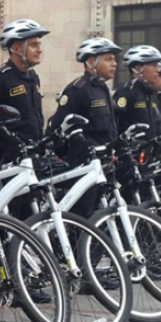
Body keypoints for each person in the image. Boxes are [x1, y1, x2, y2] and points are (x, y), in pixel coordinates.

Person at [49, 37, 122, 216]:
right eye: (108, 59)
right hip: (83, 164)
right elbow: (58, 127)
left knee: (101, 212)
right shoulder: (77, 89)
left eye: (114, 59)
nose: (114, 64)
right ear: (90, 62)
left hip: (104, 163)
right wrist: (78, 149)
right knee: (83, 213)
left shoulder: (103, 89)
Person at [0, 18, 49, 163]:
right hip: (8, 160)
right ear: (16, 48)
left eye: (39, 44)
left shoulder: (33, 77)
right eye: (34, 45)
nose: (39, 50)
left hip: (33, 155)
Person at [113, 45, 161, 142]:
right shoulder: (126, 92)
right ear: (139, 68)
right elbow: (116, 126)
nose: (158, 70)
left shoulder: (151, 93)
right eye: (154, 65)